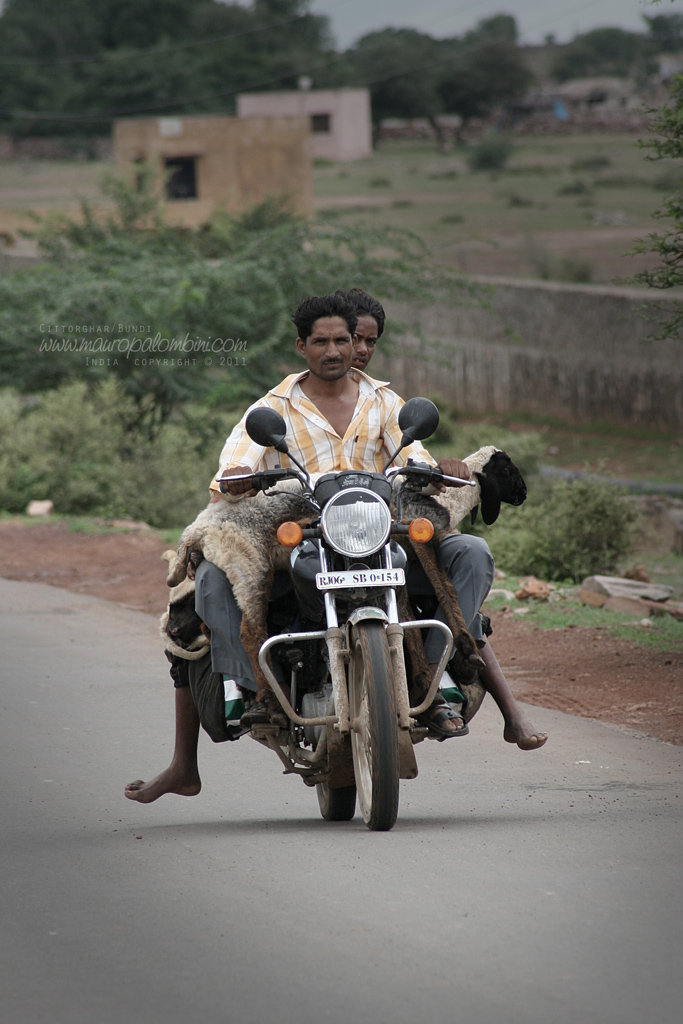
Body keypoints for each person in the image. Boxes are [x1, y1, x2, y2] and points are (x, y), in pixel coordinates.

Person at [125, 292, 545, 805]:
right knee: (207, 583)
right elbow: (230, 471)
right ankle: (251, 692)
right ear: (302, 347)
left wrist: (444, 469)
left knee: (471, 555)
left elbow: (414, 458)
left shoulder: (385, 402)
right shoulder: (270, 409)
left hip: (379, 528)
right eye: (320, 341)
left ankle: (438, 679)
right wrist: (236, 478)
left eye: (343, 341)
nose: (334, 350)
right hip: (299, 535)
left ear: (356, 345)